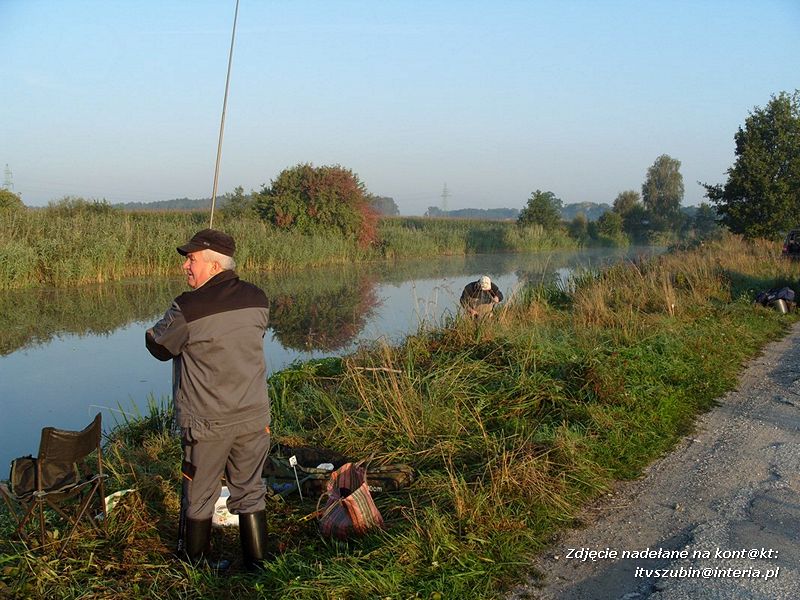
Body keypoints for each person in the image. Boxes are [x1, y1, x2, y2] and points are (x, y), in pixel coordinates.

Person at [145, 228, 271, 570]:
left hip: (207, 422)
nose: (186, 266)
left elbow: (158, 347)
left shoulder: (187, 307)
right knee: (250, 489)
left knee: (199, 495)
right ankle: (257, 564)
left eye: (192, 259)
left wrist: (156, 328)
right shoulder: (258, 297)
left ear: (214, 265)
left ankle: (194, 565)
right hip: (253, 415)